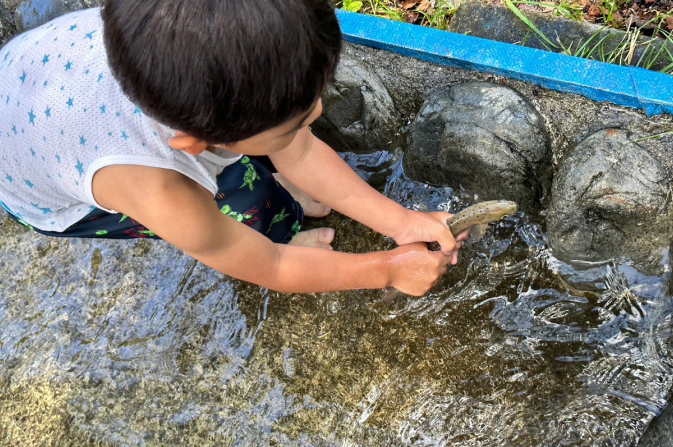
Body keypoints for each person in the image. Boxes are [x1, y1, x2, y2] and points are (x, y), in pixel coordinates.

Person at [0, 0, 465, 296]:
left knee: (267, 158)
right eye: (296, 123)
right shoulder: (160, 190)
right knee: (253, 211)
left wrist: (405, 222)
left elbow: (299, 149)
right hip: (41, 186)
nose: (320, 112)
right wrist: (386, 269)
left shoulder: (173, 39)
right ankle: (280, 222)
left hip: (37, 85)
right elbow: (274, 267)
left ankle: (271, 166)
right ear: (195, 144)